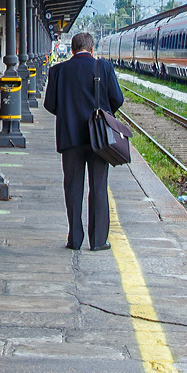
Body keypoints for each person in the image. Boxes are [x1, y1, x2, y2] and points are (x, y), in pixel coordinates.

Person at [43, 32, 123, 251]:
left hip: (70, 137)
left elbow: (50, 104)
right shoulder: (103, 68)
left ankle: (74, 239)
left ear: (72, 49)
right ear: (92, 48)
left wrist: (68, 113)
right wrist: (103, 114)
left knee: (73, 187)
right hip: (99, 138)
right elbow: (118, 98)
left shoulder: (58, 71)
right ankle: (98, 241)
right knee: (98, 187)